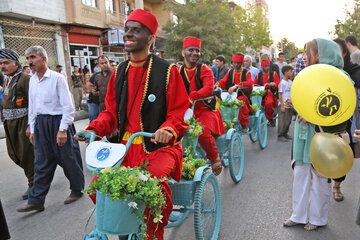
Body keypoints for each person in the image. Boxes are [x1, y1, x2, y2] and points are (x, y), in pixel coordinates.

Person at [75, 9, 189, 240]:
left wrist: (168, 129)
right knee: (100, 187)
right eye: (127, 29)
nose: (128, 34)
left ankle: (151, 234)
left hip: (159, 147)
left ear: (150, 38)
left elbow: (179, 112)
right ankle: (124, 228)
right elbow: (110, 113)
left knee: (150, 185)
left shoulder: (168, 71)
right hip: (125, 146)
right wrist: (94, 129)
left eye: (135, 30)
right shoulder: (119, 72)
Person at [283, 38, 349, 231]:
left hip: (323, 134)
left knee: (320, 176)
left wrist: (313, 115)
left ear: (320, 54)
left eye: (307, 52)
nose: (304, 56)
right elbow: (306, 100)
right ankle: (298, 214)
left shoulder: (338, 77)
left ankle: (318, 218)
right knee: (300, 172)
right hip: (304, 134)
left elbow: (340, 109)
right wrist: (294, 106)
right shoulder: (307, 75)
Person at [17, 45, 84, 213]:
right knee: (41, 162)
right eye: (28, 59)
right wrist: (32, 127)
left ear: (43, 59)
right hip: (41, 124)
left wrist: (62, 130)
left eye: (32, 57)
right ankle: (36, 200)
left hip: (58, 122)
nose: (29, 62)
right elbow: (33, 106)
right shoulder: (32, 79)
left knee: (68, 158)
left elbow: (68, 107)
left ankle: (77, 190)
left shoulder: (57, 78)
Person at [179, 37, 224, 175]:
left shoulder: (205, 69)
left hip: (205, 110)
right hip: (185, 111)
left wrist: (192, 96)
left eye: (197, 51)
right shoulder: (178, 71)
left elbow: (209, 89)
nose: (194, 53)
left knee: (203, 132)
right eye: (190, 50)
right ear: (183, 53)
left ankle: (215, 158)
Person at [0, 49, 34, 200]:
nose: (3, 66)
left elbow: (34, 103)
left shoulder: (25, 79)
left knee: (26, 154)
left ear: (16, 64)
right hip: (9, 122)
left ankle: (33, 185)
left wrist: (30, 125)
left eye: (6, 63)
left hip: (23, 122)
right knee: (13, 154)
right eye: (1, 63)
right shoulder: (7, 79)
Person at [333, 38, 360, 202]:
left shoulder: (356, 72)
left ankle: (337, 185)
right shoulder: (325, 73)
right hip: (330, 121)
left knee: (344, 154)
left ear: (344, 53)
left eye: (338, 51)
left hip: (350, 122)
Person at [215, 53, 253, 132]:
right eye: (234, 63)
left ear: (241, 63)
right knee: (219, 102)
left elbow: (250, 84)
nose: (235, 65)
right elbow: (223, 81)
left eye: (238, 63)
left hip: (242, 95)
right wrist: (216, 85)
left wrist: (236, 86)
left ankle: (244, 124)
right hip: (231, 95)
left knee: (240, 101)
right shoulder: (230, 72)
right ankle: (224, 123)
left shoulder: (247, 72)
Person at [254, 59, 280, 127]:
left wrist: (274, 84)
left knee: (269, 103)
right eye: (265, 66)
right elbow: (254, 85)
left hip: (270, 93)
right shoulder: (258, 75)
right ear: (262, 67)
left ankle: (270, 118)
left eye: (268, 66)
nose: (268, 67)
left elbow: (278, 84)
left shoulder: (273, 74)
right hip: (260, 94)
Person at [277, 65, 294, 142]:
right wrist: (282, 106)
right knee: (282, 121)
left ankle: (285, 133)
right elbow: (280, 94)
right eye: (290, 71)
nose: (292, 73)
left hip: (290, 105)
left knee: (288, 120)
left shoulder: (291, 82)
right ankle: (280, 135)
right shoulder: (282, 83)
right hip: (284, 104)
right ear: (285, 72)